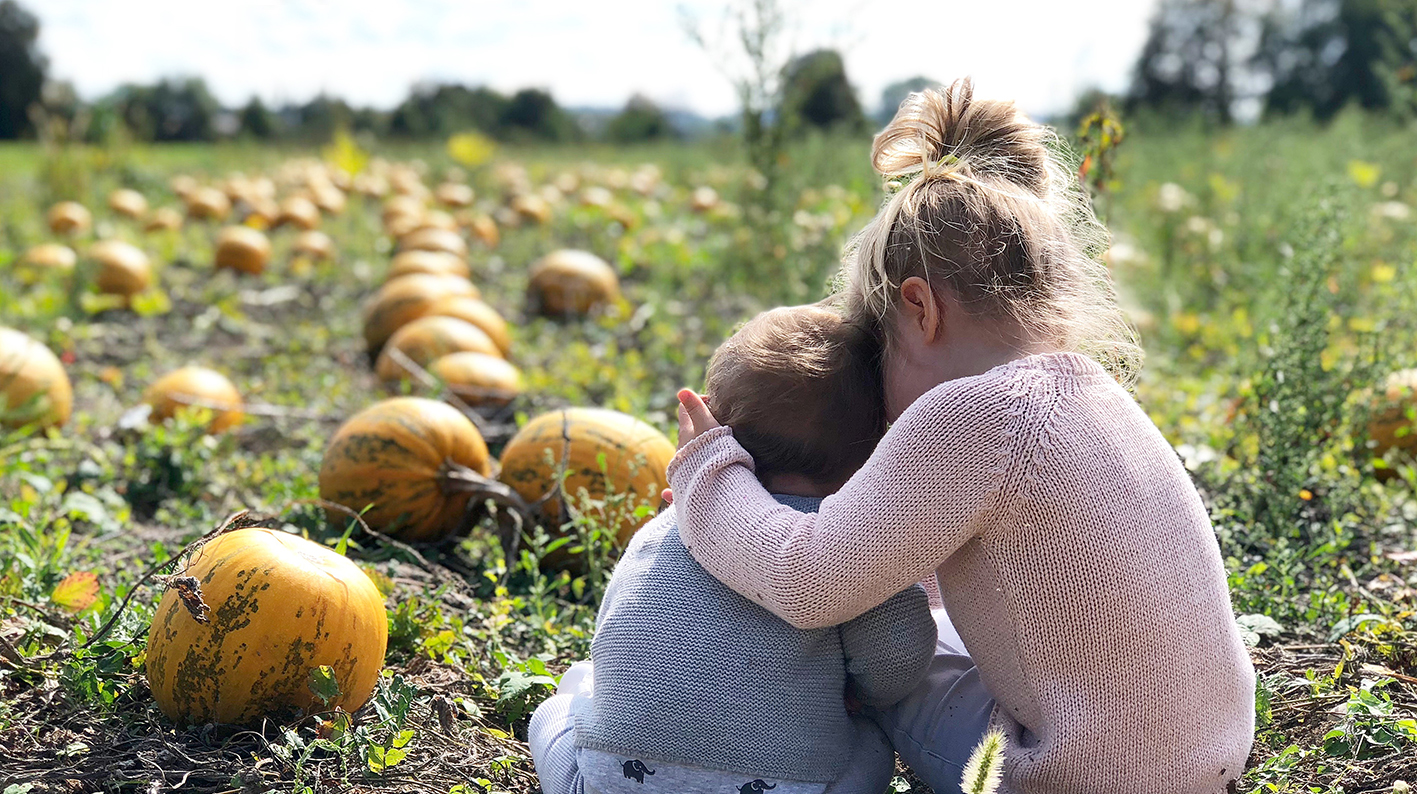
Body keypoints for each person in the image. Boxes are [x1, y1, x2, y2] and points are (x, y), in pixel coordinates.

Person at [667, 78, 1256, 794]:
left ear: (918, 309)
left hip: (1072, 778)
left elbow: (805, 580)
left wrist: (706, 474)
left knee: (881, 657)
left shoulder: (970, 416)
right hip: (1208, 755)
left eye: (878, 349)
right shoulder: (1098, 397)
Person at [528, 304, 938, 794]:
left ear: (703, 424)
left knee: (559, 706)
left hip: (613, 781)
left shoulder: (669, 526)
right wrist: (864, 696)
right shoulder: (852, 548)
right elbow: (899, 655)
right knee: (873, 743)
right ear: (880, 448)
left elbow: (617, 625)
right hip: (789, 783)